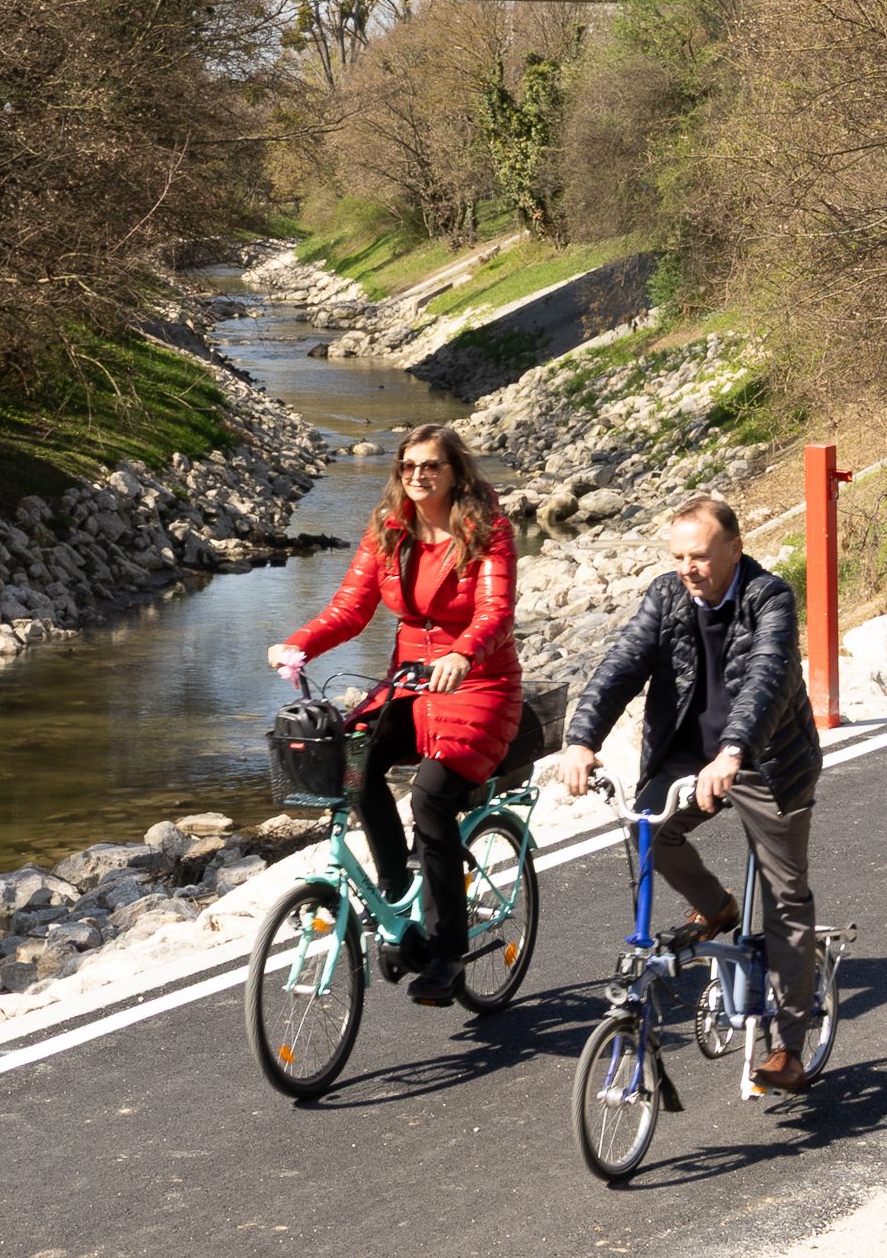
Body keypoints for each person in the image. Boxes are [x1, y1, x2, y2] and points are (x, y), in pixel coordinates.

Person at [547, 493, 823, 1094]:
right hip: (688, 754)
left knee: (785, 899)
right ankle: (716, 905)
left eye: (698, 556)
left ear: (733, 549)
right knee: (649, 835)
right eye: (677, 557)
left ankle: (790, 1047)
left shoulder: (769, 597)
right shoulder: (667, 596)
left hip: (766, 758)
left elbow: (766, 680)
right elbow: (622, 664)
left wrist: (733, 752)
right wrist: (580, 739)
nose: (687, 568)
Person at [269, 422, 520, 1006]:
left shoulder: (489, 531)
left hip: (478, 682)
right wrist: (299, 643)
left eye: (430, 465)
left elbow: (495, 610)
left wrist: (463, 652)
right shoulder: (389, 529)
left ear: (455, 471)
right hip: (409, 680)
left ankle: (447, 953)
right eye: (408, 466)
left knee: (432, 797)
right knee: (352, 764)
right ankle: (395, 890)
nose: (417, 476)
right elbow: (350, 608)